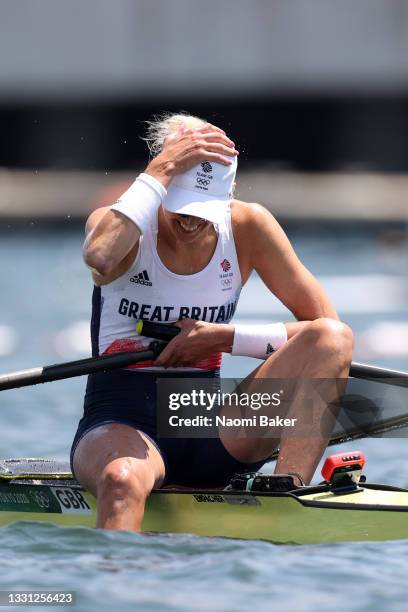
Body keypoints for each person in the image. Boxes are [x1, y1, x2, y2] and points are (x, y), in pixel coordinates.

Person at [71, 113, 353, 531]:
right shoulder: (123, 226)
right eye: (180, 205)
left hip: (207, 419)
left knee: (333, 338)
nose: (189, 220)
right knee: (122, 481)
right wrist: (162, 167)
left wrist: (221, 339)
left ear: (228, 193)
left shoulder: (248, 225)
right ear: (159, 184)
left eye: (202, 210)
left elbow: (324, 332)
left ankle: (287, 491)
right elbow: (100, 257)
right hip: (122, 418)